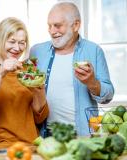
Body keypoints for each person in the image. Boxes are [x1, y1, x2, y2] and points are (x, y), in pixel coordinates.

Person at [30, 2, 114, 136]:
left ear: (75, 25)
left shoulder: (94, 51)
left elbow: (108, 96)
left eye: (57, 25)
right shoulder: (36, 51)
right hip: (45, 135)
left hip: (82, 136)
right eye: (49, 26)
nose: (52, 31)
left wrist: (92, 82)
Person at [0, 17, 49, 151]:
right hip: (0, 146)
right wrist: (0, 73)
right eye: (12, 42)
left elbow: (39, 117)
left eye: (22, 43)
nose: (17, 48)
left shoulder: (28, 70)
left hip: (31, 144)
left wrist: (39, 90)